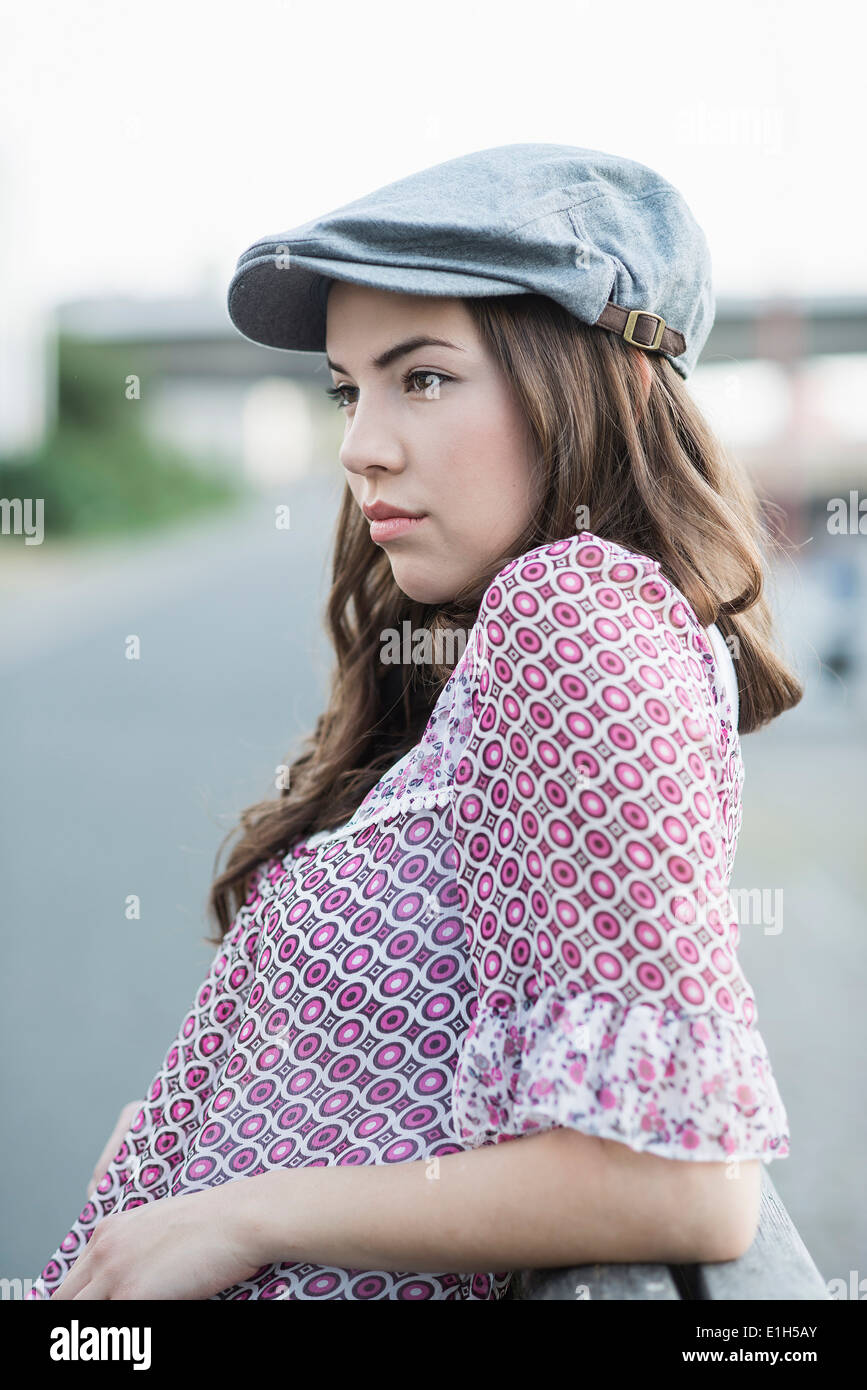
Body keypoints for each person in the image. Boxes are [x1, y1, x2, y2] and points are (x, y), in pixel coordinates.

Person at [28, 143, 802, 1301]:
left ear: (606, 377)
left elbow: (680, 1181)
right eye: (349, 388)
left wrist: (237, 1214)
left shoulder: (573, 615)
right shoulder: (510, 641)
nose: (360, 445)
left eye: (423, 377)